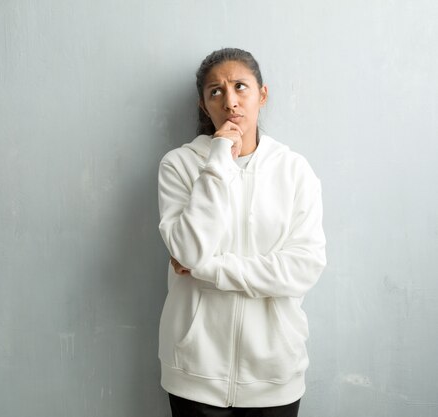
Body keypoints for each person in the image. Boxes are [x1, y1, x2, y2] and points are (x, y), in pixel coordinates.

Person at [157, 48, 327, 417]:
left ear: (262, 94)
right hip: (194, 371)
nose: (230, 101)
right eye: (215, 91)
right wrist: (219, 157)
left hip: (274, 374)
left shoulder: (295, 171)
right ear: (205, 105)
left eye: (240, 87)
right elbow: (188, 247)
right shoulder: (180, 165)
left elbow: (304, 267)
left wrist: (207, 269)